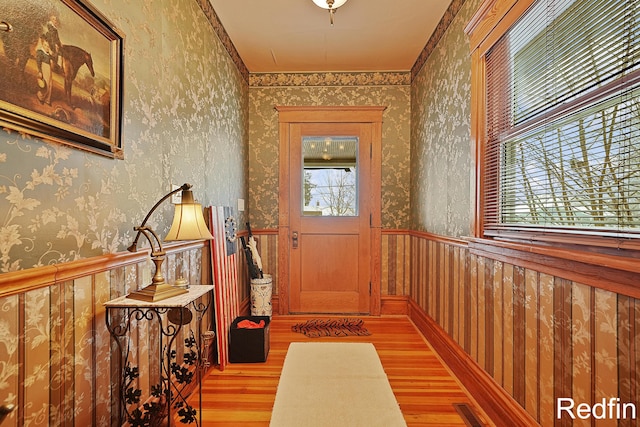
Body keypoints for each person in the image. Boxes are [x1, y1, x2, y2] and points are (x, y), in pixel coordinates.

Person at [35, 14, 62, 105]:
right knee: (45, 84)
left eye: (47, 46)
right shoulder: (40, 52)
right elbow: (38, 62)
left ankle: (47, 100)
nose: (47, 47)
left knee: (50, 84)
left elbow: (53, 56)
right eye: (45, 46)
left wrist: (57, 49)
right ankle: (41, 97)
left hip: (49, 68)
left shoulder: (48, 53)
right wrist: (39, 71)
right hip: (44, 67)